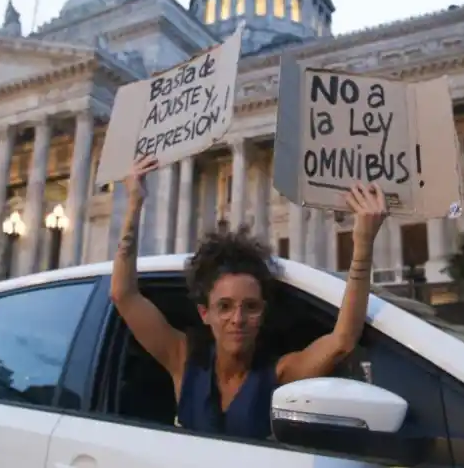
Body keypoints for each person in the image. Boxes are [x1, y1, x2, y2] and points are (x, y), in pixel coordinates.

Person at [110, 154, 387, 440]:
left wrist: (363, 245)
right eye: (225, 306)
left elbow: (342, 341)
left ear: (263, 312)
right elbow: (123, 294)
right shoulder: (183, 360)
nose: (237, 319)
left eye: (250, 307)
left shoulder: (279, 374)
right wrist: (134, 203)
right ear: (205, 314)